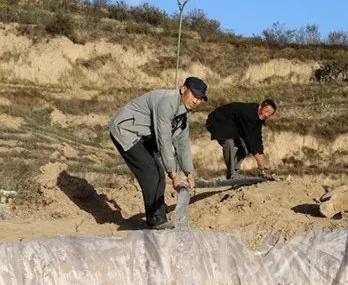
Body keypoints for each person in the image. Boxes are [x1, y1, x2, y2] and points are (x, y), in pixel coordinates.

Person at [109, 76, 207, 230]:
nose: (196, 101)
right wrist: (174, 175)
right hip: (126, 130)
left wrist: (189, 173)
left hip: (145, 135)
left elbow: (182, 144)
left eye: (200, 98)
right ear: (183, 89)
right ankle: (156, 221)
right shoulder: (167, 102)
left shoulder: (183, 114)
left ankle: (157, 217)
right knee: (151, 172)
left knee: (158, 173)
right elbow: (164, 139)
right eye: (194, 95)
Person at [206, 99, 277, 179]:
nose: (267, 115)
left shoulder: (258, 117)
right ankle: (232, 174)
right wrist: (258, 159)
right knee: (229, 142)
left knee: (245, 147)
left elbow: (257, 137)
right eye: (266, 111)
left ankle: (233, 172)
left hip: (232, 124)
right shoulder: (248, 113)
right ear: (260, 107)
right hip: (217, 120)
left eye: (270, 114)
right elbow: (249, 138)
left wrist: (262, 156)